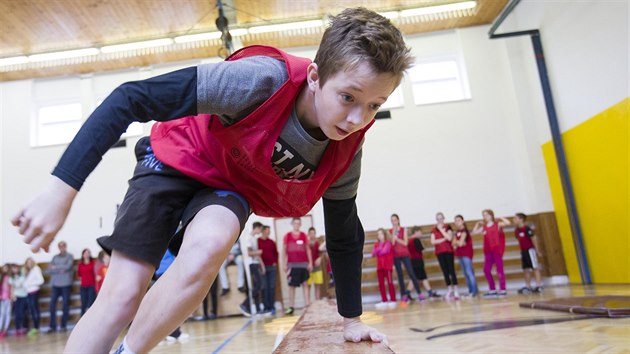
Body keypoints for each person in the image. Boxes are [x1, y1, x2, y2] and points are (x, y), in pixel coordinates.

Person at [11, 7, 411, 352]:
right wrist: (61, 188)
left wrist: (351, 319)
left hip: (229, 187)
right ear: (314, 76)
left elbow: (343, 229)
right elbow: (129, 97)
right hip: (176, 157)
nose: (358, 119)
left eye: (375, 105)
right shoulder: (258, 81)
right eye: (348, 97)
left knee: (211, 244)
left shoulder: (348, 144)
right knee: (123, 294)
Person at [472, 209, 510, 298]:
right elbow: (474, 232)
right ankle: (492, 289)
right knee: (486, 270)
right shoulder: (484, 227)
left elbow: (508, 222)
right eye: (484, 215)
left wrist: (501, 218)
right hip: (488, 252)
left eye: (487, 215)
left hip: (497, 251)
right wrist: (477, 224)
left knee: (499, 270)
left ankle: (503, 289)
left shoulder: (497, 225)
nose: (485, 217)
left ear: (491, 215)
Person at [283, 217, 313, 315]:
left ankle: (307, 305)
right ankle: (291, 307)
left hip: (303, 264)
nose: (297, 225)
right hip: (292, 265)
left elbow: (308, 250)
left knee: (305, 284)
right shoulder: (287, 236)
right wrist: (284, 264)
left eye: (298, 223)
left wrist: (310, 263)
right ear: (292, 224)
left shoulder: (304, 235)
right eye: (295, 223)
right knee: (292, 286)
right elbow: (284, 251)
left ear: (300, 225)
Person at [390, 214, 423, 302]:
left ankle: (419, 293)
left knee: (411, 273)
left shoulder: (403, 229)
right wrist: (393, 233)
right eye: (392, 221)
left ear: (398, 220)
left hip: (405, 254)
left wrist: (397, 239)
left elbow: (405, 243)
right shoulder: (390, 231)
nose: (394, 222)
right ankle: (403, 295)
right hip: (396, 256)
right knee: (400, 276)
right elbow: (392, 243)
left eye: (395, 220)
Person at [431, 212, 459, 300]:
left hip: (448, 251)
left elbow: (449, 238)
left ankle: (456, 290)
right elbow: (433, 242)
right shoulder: (433, 229)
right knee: (445, 271)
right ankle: (449, 289)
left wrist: (442, 231)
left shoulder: (448, 227)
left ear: (443, 218)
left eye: (441, 218)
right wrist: (443, 239)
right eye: (438, 218)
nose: (440, 220)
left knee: (451, 270)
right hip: (439, 252)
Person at [47, 241, 74, 332]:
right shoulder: (54, 257)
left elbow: (68, 267)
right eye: (60, 246)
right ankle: (52, 326)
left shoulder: (70, 256)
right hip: (55, 284)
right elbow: (50, 269)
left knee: (65, 305)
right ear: (58, 247)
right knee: (52, 305)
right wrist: (61, 268)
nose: (62, 248)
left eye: (63, 246)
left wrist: (56, 267)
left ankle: (63, 326)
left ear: (65, 247)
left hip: (65, 284)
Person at [513, 213, 544, 294]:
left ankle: (539, 285)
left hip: (530, 250)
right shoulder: (516, 230)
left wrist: (537, 250)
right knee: (526, 269)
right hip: (523, 252)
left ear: (521, 219)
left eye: (515, 218)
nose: (514, 220)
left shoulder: (527, 229)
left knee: (535, 267)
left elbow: (534, 239)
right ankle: (528, 286)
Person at [407, 227, 439, 298]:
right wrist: (423, 244)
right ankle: (407, 293)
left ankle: (429, 292)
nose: (421, 234)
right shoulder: (416, 240)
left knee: (418, 277)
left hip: (412, 261)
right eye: (420, 232)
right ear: (416, 232)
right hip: (417, 261)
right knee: (419, 278)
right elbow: (421, 249)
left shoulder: (410, 241)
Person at [242, 221, 265, 317]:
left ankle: (258, 309)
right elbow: (249, 253)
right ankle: (245, 304)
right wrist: (258, 252)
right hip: (251, 264)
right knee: (258, 285)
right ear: (257, 228)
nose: (261, 231)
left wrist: (262, 265)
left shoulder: (254, 239)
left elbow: (257, 254)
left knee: (258, 286)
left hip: (256, 263)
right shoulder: (248, 238)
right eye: (260, 229)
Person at [453, 215, 478, 297]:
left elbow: (459, 243)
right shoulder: (457, 232)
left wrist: (458, 242)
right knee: (465, 273)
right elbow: (454, 244)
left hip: (466, 254)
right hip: (460, 254)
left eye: (459, 220)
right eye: (456, 221)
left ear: (463, 221)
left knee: (469, 272)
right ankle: (470, 291)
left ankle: (474, 291)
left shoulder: (464, 231)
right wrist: (458, 242)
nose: (457, 222)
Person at [372, 228, 396, 309]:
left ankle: (393, 300)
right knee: (381, 284)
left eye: (381, 234)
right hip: (380, 267)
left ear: (384, 235)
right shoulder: (376, 244)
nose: (379, 236)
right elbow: (373, 253)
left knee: (390, 282)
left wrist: (378, 249)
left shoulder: (388, 243)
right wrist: (378, 249)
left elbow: (384, 251)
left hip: (387, 266)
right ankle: (384, 300)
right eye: (378, 234)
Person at [258, 224, 279, 315]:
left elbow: (276, 253)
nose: (269, 232)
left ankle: (272, 306)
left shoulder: (271, 242)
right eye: (267, 230)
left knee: (271, 287)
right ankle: (266, 307)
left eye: (269, 230)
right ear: (263, 231)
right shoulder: (258, 241)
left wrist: (275, 262)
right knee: (264, 287)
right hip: (262, 267)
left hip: (272, 267)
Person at [24, 257, 45, 336]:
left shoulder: (36, 269)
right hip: (28, 293)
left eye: (30, 262)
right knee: (32, 310)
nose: (29, 264)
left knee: (35, 310)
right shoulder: (27, 271)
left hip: (34, 292)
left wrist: (30, 284)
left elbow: (41, 280)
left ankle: (37, 327)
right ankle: (35, 327)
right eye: (27, 262)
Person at [9, 264, 28, 336]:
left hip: (23, 296)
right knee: (17, 313)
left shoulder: (22, 276)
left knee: (22, 312)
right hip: (16, 297)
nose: (15, 269)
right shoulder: (11, 278)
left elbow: (20, 284)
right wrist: (12, 296)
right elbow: (12, 288)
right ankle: (17, 328)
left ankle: (24, 327)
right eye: (13, 268)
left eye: (16, 268)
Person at [77, 248, 97, 315]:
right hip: (83, 286)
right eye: (85, 253)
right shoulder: (80, 264)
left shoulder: (93, 263)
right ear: (82, 255)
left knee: (90, 303)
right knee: (83, 303)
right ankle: (82, 319)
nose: (86, 254)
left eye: (88, 253)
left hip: (92, 286)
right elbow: (79, 274)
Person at [307, 227, 324, 301]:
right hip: (309, 267)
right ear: (308, 234)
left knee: (318, 284)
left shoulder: (318, 242)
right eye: (311, 233)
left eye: (313, 233)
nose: (312, 235)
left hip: (317, 267)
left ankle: (317, 301)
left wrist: (320, 259)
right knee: (308, 285)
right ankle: (308, 302)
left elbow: (322, 252)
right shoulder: (306, 243)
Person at [0, 264, 11, 338]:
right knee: (2, 314)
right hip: (2, 298)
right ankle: (0, 329)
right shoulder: (1, 277)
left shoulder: (10, 277)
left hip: (8, 298)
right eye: (4, 268)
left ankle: (5, 329)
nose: (5, 270)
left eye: (6, 268)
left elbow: (12, 287)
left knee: (7, 313)